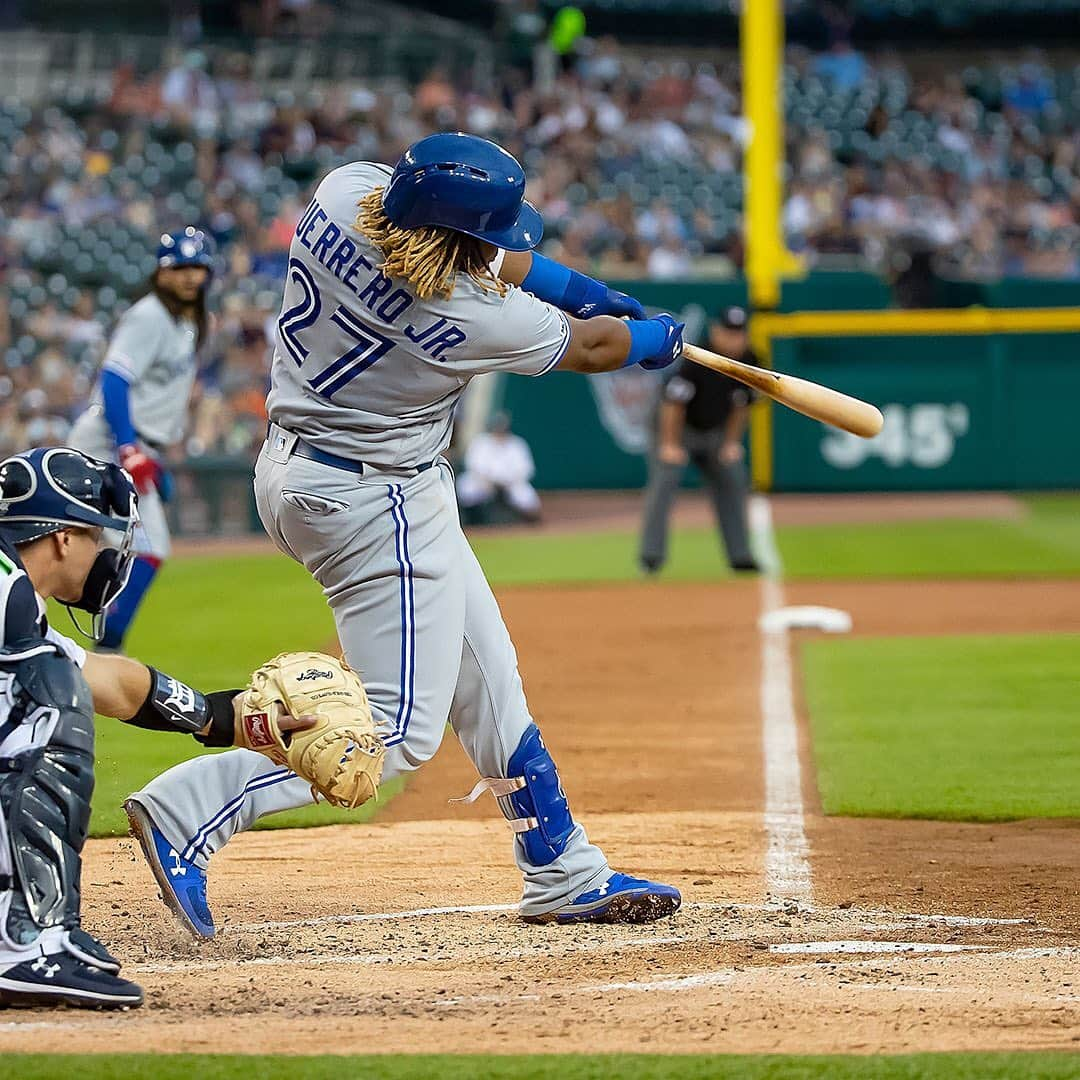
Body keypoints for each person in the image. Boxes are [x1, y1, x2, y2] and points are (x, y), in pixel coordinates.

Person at [124, 132, 686, 939]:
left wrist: (576, 286)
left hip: (303, 466)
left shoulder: (342, 190)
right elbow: (591, 344)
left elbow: (465, 253)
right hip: (371, 498)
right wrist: (649, 338)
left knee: (487, 672)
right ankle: (190, 808)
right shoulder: (470, 314)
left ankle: (561, 869)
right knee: (390, 735)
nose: (499, 243)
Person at [0, 447, 309, 1008]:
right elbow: (69, 683)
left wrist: (223, 717)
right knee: (45, 702)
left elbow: (109, 682)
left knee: (47, 685)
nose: (104, 552)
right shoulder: (7, 591)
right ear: (63, 538)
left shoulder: (11, 595)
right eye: (95, 536)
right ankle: (24, 943)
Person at [69, 227, 214, 650]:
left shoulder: (185, 323)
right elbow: (115, 379)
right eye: (180, 267)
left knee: (131, 548)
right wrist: (129, 448)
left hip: (134, 444)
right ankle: (105, 643)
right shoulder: (150, 314)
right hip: (106, 441)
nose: (189, 276)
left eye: (197, 267)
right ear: (161, 272)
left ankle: (104, 642)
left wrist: (148, 453)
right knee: (134, 547)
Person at [639, 305, 760, 575]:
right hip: (676, 429)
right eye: (728, 332)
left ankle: (740, 556)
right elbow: (673, 404)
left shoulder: (750, 360)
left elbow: (742, 406)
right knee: (664, 483)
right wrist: (669, 445)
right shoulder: (698, 359)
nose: (734, 339)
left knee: (733, 479)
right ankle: (651, 557)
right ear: (716, 331)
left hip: (715, 431)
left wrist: (731, 442)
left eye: (739, 333)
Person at [457, 412, 542, 524]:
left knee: (527, 499)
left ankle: (524, 525)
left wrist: (506, 482)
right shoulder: (481, 442)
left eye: (502, 426)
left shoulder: (517, 443)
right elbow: (473, 466)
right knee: (465, 488)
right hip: (483, 483)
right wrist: (489, 482)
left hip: (511, 484)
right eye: (497, 426)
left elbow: (526, 470)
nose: (499, 429)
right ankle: (470, 520)